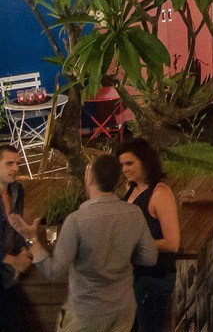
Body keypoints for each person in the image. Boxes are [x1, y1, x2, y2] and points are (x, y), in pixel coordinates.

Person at [9, 155, 158, 332]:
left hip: (87, 313)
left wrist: (32, 239)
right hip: (123, 308)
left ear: (90, 178)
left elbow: (53, 270)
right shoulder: (134, 213)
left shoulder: (77, 220)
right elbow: (149, 257)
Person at [118, 139, 180, 332]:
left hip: (155, 276)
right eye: (122, 165)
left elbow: (172, 243)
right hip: (134, 275)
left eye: (129, 163)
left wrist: (138, 246)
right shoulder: (132, 189)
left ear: (145, 161)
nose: (125, 169)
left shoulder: (160, 193)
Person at [0, 145, 31, 331]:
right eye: (9, 163)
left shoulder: (17, 191)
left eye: (17, 163)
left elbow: (18, 225)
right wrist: (13, 260)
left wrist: (23, 250)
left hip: (7, 272)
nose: (15, 168)